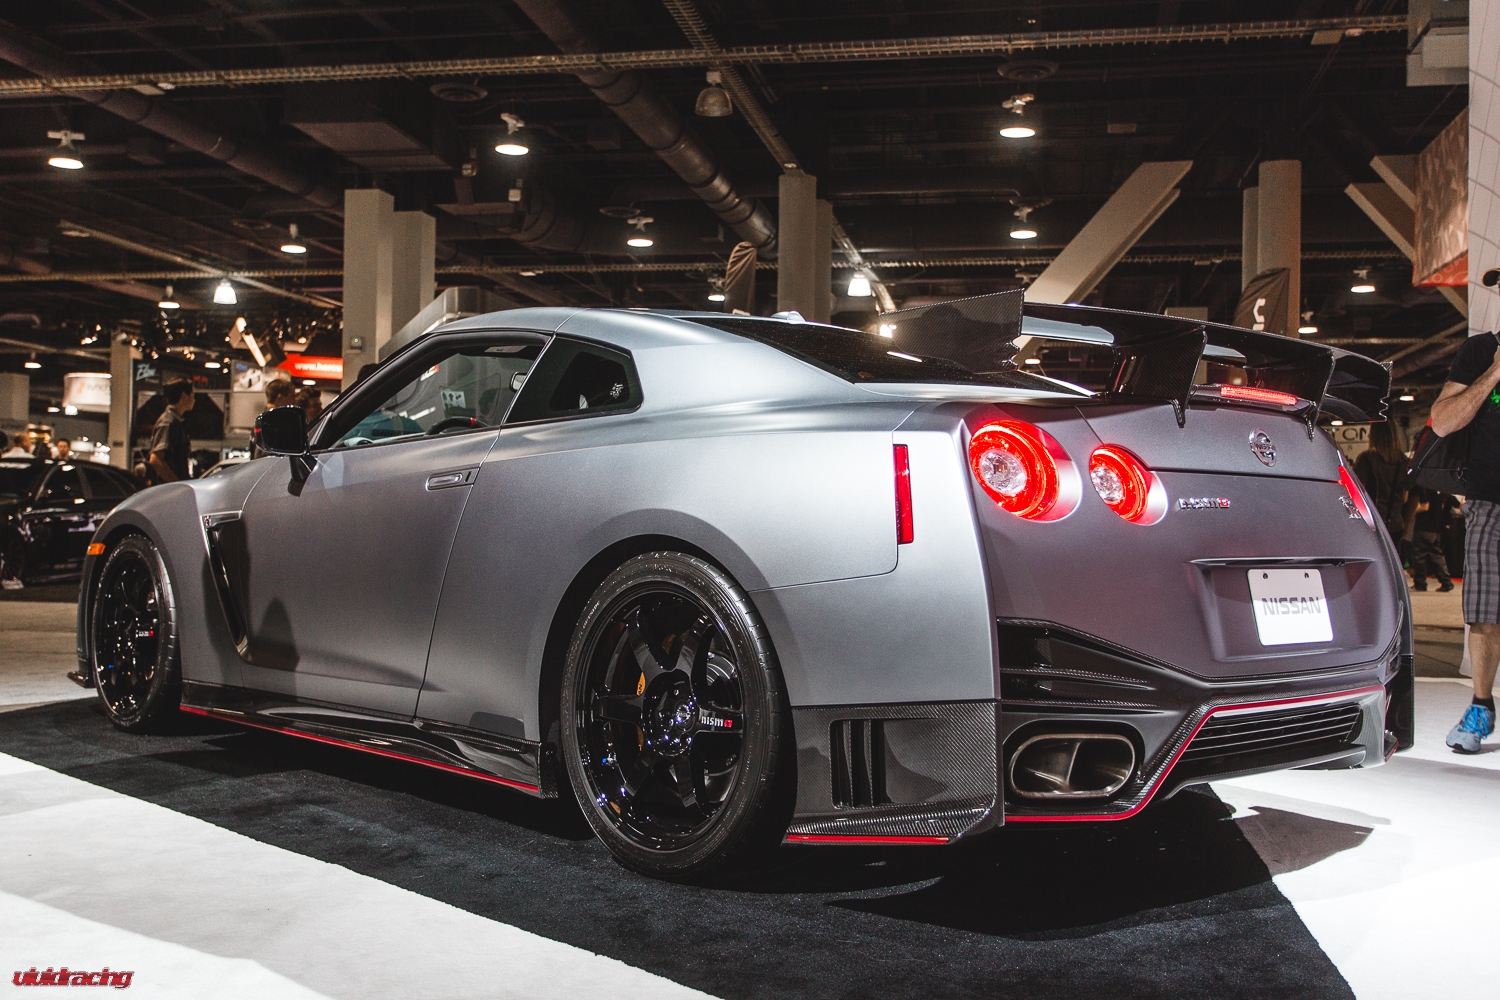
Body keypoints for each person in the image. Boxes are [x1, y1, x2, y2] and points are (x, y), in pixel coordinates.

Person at [1429, 330, 1500, 753]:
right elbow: (1442, 421)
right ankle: (1481, 706)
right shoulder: (1481, 351)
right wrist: (1494, 373)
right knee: (1484, 615)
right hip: (1489, 502)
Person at [1354, 423, 1409, 544]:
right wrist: (1406, 524)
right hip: (1396, 525)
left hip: (1371, 524)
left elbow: (1355, 491)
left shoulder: (1367, 459)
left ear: (1374, 435)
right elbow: (1409, 497)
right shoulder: (1403, 461)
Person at [1407, 487, 1456, 592]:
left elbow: (1424, 507)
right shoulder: (1440, 491)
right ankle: (1446, 581)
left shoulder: (1424, 489)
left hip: (1423, 526)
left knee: (1419, 556)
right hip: (1436, 528)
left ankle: (1420, 583)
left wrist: (1410, 510)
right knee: (1437, 555)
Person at [147, 380, 195, 483]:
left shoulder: (175, 421)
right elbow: (156, 459)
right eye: (192, 395)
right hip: (169, 490)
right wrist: (176, 484)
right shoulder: (168, 422)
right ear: (183, 396)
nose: (194, 400)